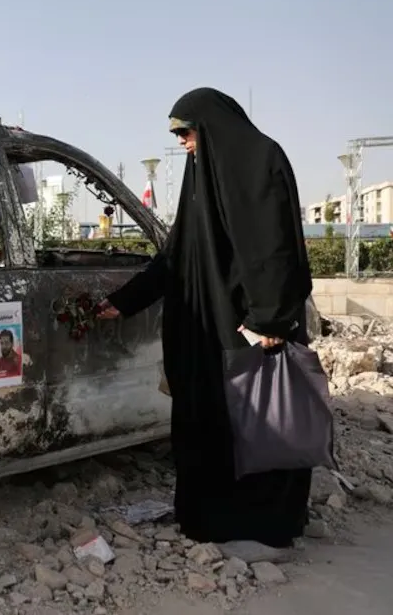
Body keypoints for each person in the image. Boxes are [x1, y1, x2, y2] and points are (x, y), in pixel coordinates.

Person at [96, 87, 312, 548]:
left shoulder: (261, 162)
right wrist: (127, 299)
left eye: (187, 131)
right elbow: (178, 253)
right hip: (205, 328)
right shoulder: (201, 178)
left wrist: (271, 321)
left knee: (260, 422)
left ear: (211, 127)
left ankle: (267, 526)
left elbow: (276, 250)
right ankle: (212, 520)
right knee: (209, 422)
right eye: (178, 134)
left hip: (250, 329)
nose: (182, 142)